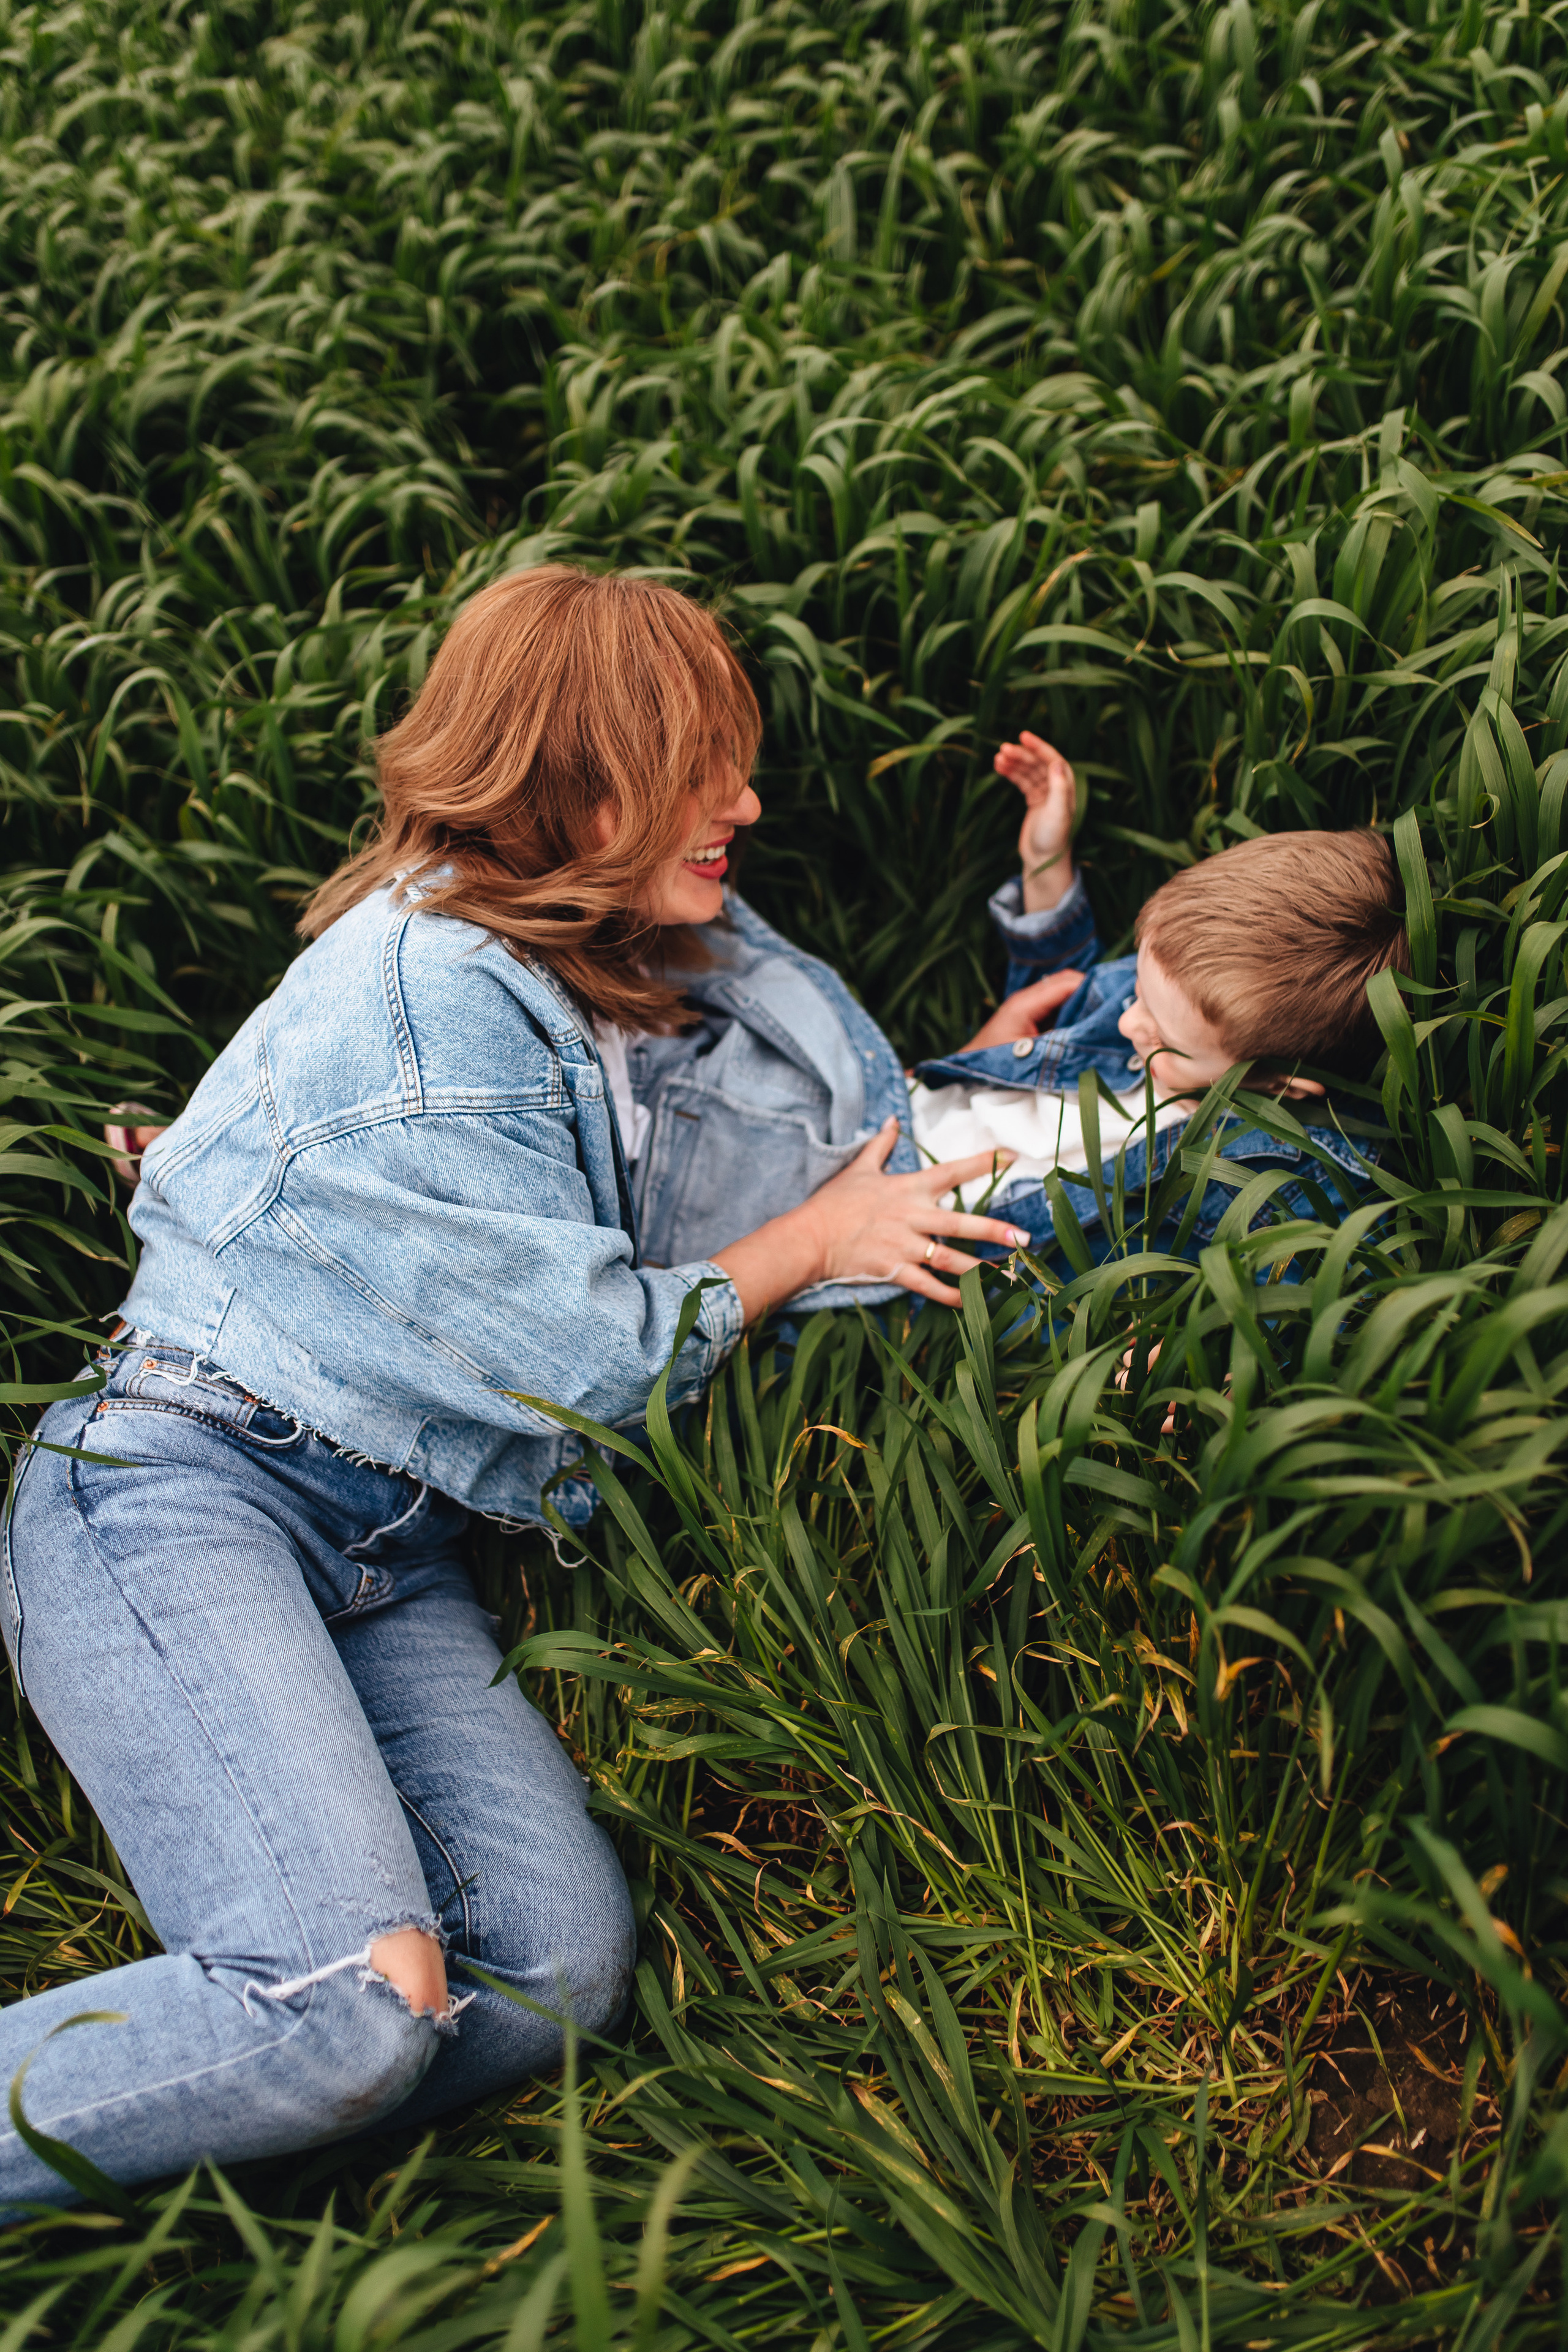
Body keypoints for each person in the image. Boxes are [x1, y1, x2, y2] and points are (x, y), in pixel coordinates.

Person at [0, 568, 1027, 2211]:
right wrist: (815, 1235)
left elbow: (728, 1144)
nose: (749, 806)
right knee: (346, 2003)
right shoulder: (431, 991)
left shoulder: (561, 954)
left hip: (387, 1547)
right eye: (709, 771)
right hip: (185, 1495)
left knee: (546, 1975)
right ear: (585, 778)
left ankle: (261, 2081)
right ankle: (308, 2023)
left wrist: (975, 1075)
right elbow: (590, 1363)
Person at [904, 733, 1409, 1258]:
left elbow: (1335, 1271)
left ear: (1276, 1084)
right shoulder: (1174, 997)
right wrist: (1044, 861)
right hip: (911, 1110)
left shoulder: (1261, 1176)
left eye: (1161, 1035)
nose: (1128, 1023)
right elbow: (1059, 1001)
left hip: (918, 1253)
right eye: (1139, 993)